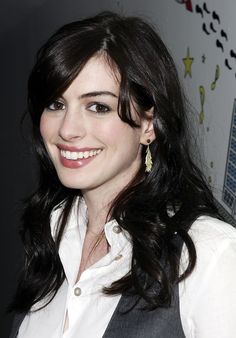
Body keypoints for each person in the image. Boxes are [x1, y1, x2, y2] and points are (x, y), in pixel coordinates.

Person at [9, 11, 236, 338]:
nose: (67, 130)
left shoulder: (208, 256)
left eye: (97, 106)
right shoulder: (53, 231)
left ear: (147, 125)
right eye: (56, 104)